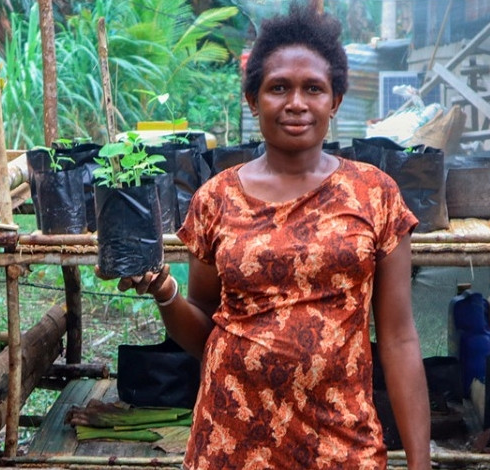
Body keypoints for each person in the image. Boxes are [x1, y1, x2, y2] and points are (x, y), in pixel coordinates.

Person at [103, 3, 431, 469]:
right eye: (278, 87)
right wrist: (164, 292)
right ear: (253, 100)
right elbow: (204, 331)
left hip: (340, 442)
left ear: (335, 101)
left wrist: (420, 463)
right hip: (231, 441)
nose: (296, 103)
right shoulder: (216, 199)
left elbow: (398, 339)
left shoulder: (375, 194)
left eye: (313, 88)